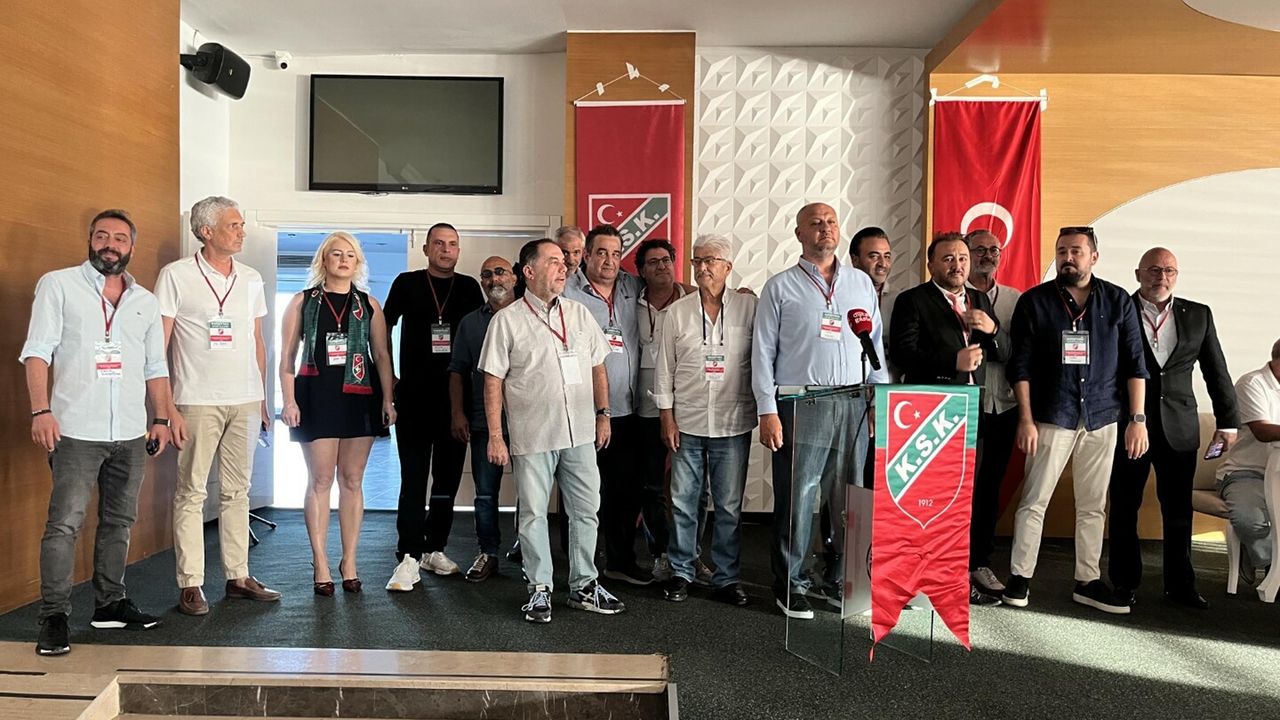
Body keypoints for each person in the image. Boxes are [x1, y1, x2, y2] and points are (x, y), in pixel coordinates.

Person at [21, 209, 172, 655]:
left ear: (131, 247)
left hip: (129, 431)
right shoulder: (58, 285)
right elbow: (37, 351)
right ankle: (54, 616)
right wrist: (41, 410)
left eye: (120, 238)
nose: (110, 244)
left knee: (119, 522)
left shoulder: (145, 301)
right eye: (102, 236)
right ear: (90, 241)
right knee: (64, 524)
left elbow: (155, 366)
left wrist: (161, 418)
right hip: (75, 430)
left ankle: (109, 604)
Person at [753, 202, 889, 619]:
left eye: (831, 222)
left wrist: (878, 401)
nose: (825, 228)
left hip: (853, 403)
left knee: (848, 497)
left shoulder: (860, 283)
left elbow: (875, 346)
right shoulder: (780, 287)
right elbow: (762, 353)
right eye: (815, 223)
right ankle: (790, 583)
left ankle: (839, 580)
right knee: (799, 497)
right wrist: (767, 410)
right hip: (801, 403)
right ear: (799, 234)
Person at [1002, 226, 1148, 615]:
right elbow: (1020, 365)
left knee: (1093, 504)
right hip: (1052, 414)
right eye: (1062, 250)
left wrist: (1137, 419)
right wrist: (1026, 419)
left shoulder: (1118, 300)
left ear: (1094, 257)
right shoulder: (1035, 302)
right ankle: (1020, 577)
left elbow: (1135, 364)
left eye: (1076, 251)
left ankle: (1087, 581)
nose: (1068, 257)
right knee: (1034, 500)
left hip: (1103, 416)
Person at [479, 239, 625, 622]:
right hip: (533, 435)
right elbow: (492, 381)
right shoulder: (506, 321)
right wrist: (496, 436)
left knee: (586, 511)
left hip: (580, 432)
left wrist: (604, 414)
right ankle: (539, 588)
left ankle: (584, 586)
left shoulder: (578, 313)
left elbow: (597, 366)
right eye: (554, 262)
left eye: (564, 262)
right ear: (529, 271)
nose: (564, 268)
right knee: (532, 515)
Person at [158, 196, 280, 616]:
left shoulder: (250, 278)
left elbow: (257, 340)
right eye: (234, 225)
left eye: (242, 224)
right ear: (206, 231)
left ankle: (238, 576)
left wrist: (262, 397)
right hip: (195, 399)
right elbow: (160, 344)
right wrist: (166, 407)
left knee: (236, 491)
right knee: (191, 492)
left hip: (244, 399)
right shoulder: (176, 275)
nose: (242, 232)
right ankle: (191, 583)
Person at [1105, 247, 1237, 610]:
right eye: (1152, 270)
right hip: (1129, 425)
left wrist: (1228, 422)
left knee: (1178, 510)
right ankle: (1124, 583)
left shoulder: (1198, 314)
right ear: (1137, 274)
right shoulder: (1118, 309)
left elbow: (1216, 370)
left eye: (1169, 271)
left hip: (1179, 426)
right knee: (1124, 506)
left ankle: (1180, 586)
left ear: (1176, 276)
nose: (1160, 277)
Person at [888, 231, 1009, 605]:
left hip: (974, 411)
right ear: (931, 265)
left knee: (965, 501)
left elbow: (1005, 353)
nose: (957, 265)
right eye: (948, 258)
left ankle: (959, 574)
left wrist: (993, 330)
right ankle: (917, 579)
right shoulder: (913, 300)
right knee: (928, 502)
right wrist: (950, 361)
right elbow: (903, 354)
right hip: (931, 412)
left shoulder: (979, 300)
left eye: (962, 258)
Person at [279, 232, 396, 596]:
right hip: (316, 396)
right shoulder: (302, 302)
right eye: (336, 254)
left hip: (360, 398)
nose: (343, 260)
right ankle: (321, 562)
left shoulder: (369, 304)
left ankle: (349, 561)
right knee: (320, 480)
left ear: (357, 263)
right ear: (324, 260)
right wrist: (289, 401)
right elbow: (286, 359)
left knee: (352, 480)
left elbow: (382, 356)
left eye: (350, 255)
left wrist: (388, 400)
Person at [654, 233, 757, 606]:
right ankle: (682, 571)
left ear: (728, 267)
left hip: (733, 422)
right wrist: (667, 418)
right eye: (697, 260)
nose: (702, 267)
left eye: (710, 260)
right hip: (687, 422)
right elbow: (664, 370)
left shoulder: (750, 307)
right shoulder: (677, 312)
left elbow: (764, 359)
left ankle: (726, 578)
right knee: (684, 501)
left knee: (728, 507)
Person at [384, 222, 484, 590]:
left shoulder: (469, 287)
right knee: (413, 479)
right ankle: (408, 555)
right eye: (438, 243)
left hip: (455, 402)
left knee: (446, 481)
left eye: (452, 244)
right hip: (412, 399)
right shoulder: (407, 283)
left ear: (459, 250)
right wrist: (389, 377)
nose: (446, 250)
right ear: (426, 249)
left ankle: (434, 548)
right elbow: (382, 328)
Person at [563, 224, 651, 585]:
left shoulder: (633, 286)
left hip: (627, 411)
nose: (609, 261)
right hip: (583, 412)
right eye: (601, 252)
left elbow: (669, 289)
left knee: (625, 492)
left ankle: (619, 561)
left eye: (616, 254)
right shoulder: (568, 289)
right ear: (586, 255)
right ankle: (578, 566)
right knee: (581, 494)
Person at [448, 255, 517, 582]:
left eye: (500, 272)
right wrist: (457, 413)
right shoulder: (470, 323)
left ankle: (529, 551)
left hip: (528, 422)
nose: (494, 279)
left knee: (532, 493)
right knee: (486, 493)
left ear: (515, 277)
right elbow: (457, 371)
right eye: (486, 275)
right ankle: (488, 552)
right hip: (483, 423)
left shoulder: (531, 317)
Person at [963, 228, 1023, 600]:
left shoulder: (1016, 299)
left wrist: (994, 330)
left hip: (1004, 405)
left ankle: (980, 561)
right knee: (957, 486)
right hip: (963, 405)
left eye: (993, 249)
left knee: (989, 488)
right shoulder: (952, 295)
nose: (987, 255)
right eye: (979, 249)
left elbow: (1020, 353)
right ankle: (951, 562)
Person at [634, 238, 692, 580]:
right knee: (651, 487)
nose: (661, 267)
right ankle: (661, 553)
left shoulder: (693, 301)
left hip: (687, 409)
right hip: (644, 410)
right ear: (642, 271)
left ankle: (690, 556)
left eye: (666, 260)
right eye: (653, 262)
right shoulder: (631, 303)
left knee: (689, 489)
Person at [1215, 339, 1280, 587]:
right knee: (1250, 521)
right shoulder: (1252, 383)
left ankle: (1259, 557)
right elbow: (1262, 431)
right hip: (1247, 473)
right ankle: (1270, 565)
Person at [848, 226, 898, 341]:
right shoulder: (840, 295)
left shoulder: (900, 300)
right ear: (855, 260)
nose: (883, 263)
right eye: (874, 256)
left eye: (887, 256)